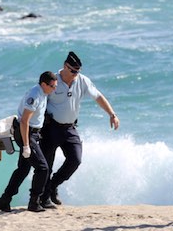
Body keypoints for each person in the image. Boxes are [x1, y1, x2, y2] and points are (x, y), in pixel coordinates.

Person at [38, 51, 119, 208]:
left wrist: (112, 114)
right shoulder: (53, 81)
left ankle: (53, 185)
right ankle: (44, 198)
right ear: (64, 66)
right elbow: (39, 101)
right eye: (73, 70)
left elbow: (98, 97)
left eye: (77, 71)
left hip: (69, 128)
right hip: (51, 127)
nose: (75, 74)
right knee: (47, 163)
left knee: (75, 159)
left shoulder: (82, 81)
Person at [0, 70, 58, 213]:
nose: (54, 89)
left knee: (23, 169)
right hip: (26, 133)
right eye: (52, 86)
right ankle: (34, 202)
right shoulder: (34, 95)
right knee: (43, 168)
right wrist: (26, 145)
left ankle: (4, 200)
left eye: (55, 86)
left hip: (33, 134)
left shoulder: (43, 93)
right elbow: (24, 121)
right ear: (43, 84)